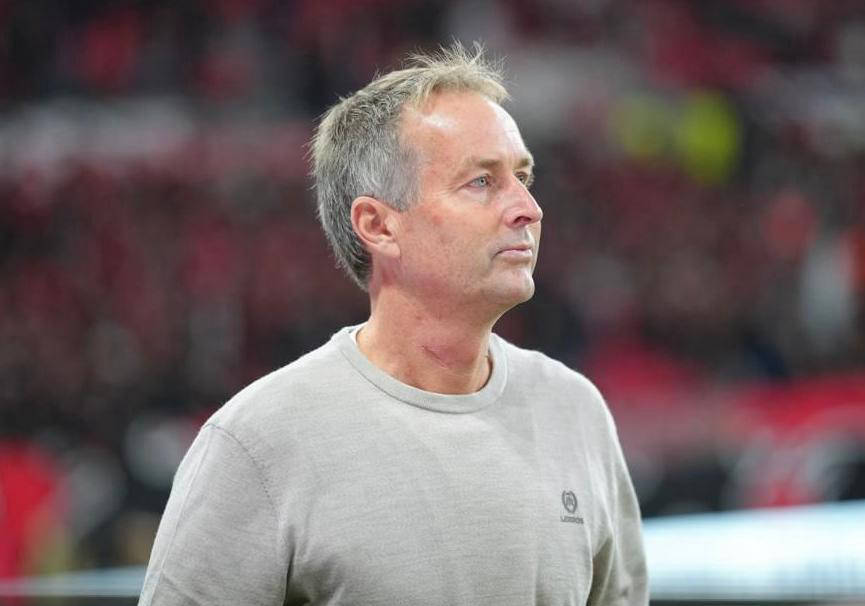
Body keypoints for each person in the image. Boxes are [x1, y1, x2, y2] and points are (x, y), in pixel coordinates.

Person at [138, 43, 648, 606]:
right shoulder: (259, 443)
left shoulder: (576, 413)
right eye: (481, 181)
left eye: (523, 176)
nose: (529, 208)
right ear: (379, 226)